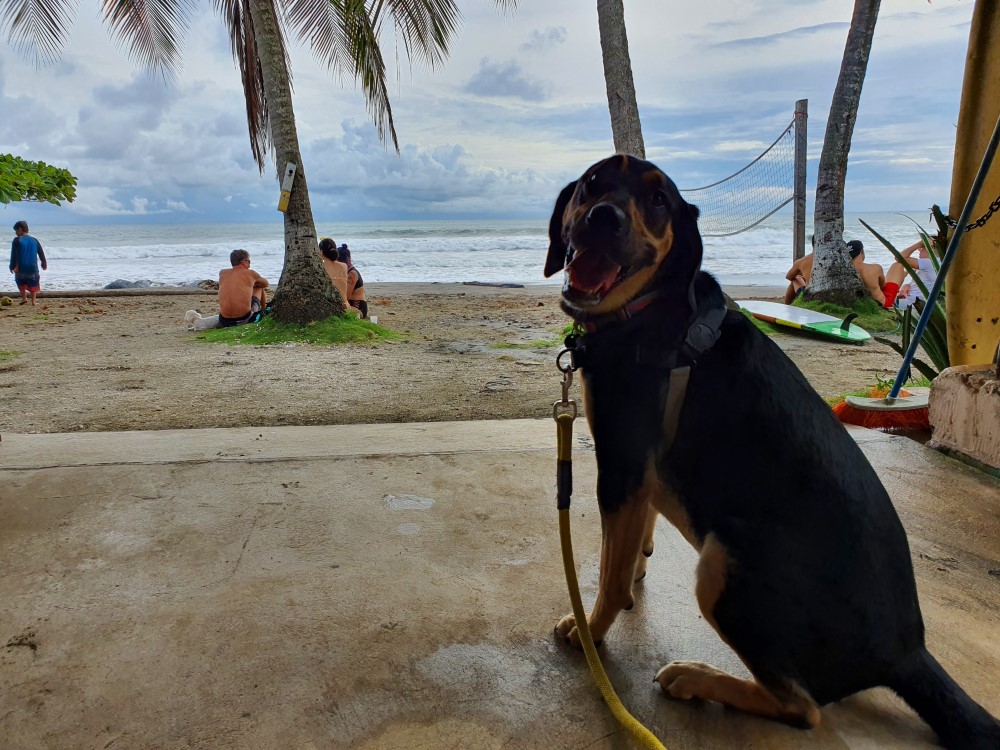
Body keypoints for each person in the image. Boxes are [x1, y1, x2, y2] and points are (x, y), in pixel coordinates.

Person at [218, 249, 269, 327]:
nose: (250, 263)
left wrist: (250, 284)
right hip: (243, 319)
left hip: (224, 320)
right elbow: (266, 284)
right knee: (260, 287)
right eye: (249, 261)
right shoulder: (251, 273)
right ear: (244, 261)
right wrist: (253, 283)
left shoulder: (222, 273)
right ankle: (264, 311)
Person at [882, 239, 937, 310]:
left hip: (908, 305)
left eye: (922, 247)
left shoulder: (929, 263)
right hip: (907, 302)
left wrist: (917, 244)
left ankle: (888, 300)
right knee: (900, 269)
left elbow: (899, 258)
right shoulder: (934, 265)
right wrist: (906, 285)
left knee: (897, 265)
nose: (919, 249)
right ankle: (888, 296)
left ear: (932, 249)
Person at [9, 220, 48, 306]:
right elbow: (41, 252)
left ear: (20, 229)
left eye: (16, 230)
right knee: (33, 283)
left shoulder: (17, 240)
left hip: (21, 266)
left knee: (20, 282)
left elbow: (14, 254)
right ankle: (33, 301)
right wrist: (44, 263)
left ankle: (24, 299)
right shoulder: (34, 240)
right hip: (32, 267)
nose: (16, 232)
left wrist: (12, 266)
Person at [318, 237, 354, 312]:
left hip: (330, 307)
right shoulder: (344, 266)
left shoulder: (319, 267)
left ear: (321, 252)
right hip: (346, 306)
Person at [847, 240, 886, 306]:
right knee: (898, 265)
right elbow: (883, 286)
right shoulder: (876, 268)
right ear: (862, 251)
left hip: (858, 305)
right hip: (882, 305)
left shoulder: (844, 271)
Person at [337, 243, 368, 319]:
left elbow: (346, 296)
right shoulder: (346, 272)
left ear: (347, 260)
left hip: (358, 308)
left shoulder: (352, 274)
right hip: (349, 305)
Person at [783, 234, 815, 304]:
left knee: (796, 278)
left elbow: (789, 276)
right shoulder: (838, 259)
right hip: (834, 293)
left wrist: (803, 275)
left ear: (812, 244)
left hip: (811, 296)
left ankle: (787, 306)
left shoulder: (803, 261)